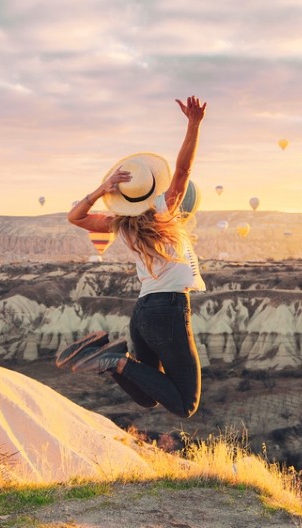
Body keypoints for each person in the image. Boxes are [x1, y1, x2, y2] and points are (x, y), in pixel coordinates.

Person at [57, 95, 207, 418]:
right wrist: (194, 125)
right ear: (154, 187)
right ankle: (116, 360)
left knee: (148, 397)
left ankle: (112, 360)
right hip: (168, 309)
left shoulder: (120, 224)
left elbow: (75, 217)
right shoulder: (163, 211)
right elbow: (184, 168)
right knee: (186, 403)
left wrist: (101, 189)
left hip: (142, 312)